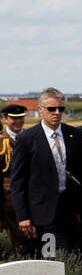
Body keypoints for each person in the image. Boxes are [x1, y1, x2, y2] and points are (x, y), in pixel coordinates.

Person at [9, 87, 82, 258]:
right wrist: (23, 217)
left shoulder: (74, 135)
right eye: (51, 109)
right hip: (43, 213)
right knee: (52, 259)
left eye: (60, 109)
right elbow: (18, 182)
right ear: (40, 109)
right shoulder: (27, 139)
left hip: (71, 211)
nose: (57, 113)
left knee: (76, 257)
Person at [1, 102, 26, 251]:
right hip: (10, 197)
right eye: (14, 118)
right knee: (19, 237)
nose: (18, 121)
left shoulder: (31, 137)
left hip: (33, 194)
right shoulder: (2, 141)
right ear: (5, 118)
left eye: (21, 118)